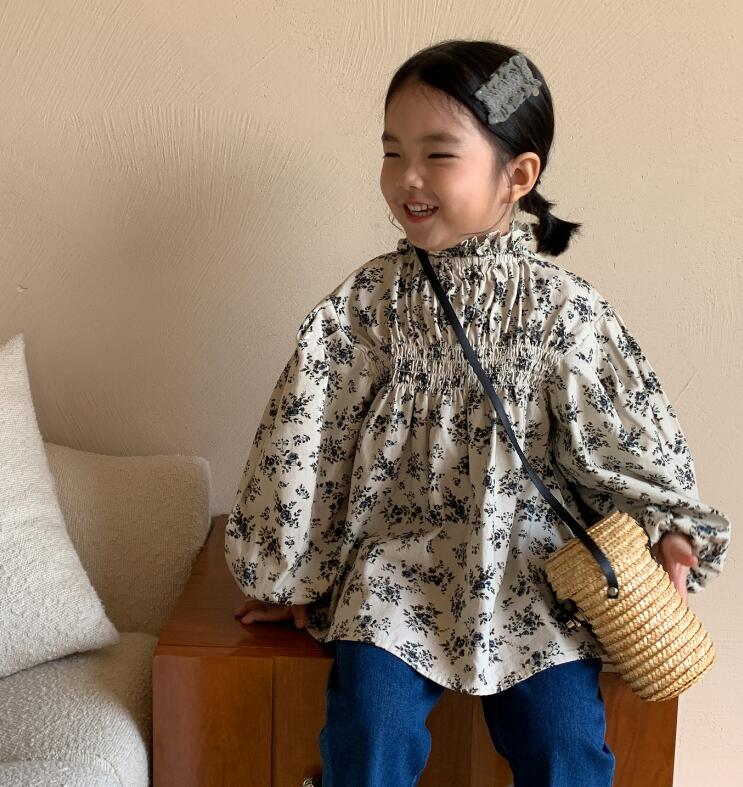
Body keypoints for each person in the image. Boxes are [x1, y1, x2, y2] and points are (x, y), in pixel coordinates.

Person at [225, 39, 732, 787]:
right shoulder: (369, 305)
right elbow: (308, 438)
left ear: (518, 176)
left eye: (438, 154)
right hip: (394, 570)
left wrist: (672, 527)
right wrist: (289, 574)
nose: (408, 177)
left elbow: (624, 433)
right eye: (392, 152)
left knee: (565, 744)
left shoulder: (564, 312)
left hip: (536, 572)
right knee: (369, 728)